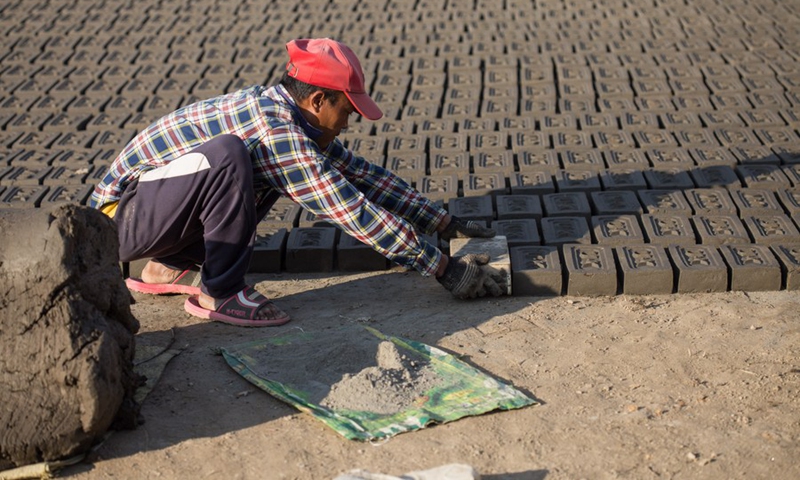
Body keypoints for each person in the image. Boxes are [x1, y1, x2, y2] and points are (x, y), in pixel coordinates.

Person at [90, 38, 506, 327]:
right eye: (347, 111)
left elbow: (359, 175)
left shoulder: (292, 119)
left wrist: (441, 222)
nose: (348, 123)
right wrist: (443, 268)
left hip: (151, 212)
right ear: (318, 101)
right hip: (111, 227)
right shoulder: (275, 130)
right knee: (230, 157)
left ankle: (170, 266)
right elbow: (349, 208)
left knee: (257, 171)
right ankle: (220, 293)